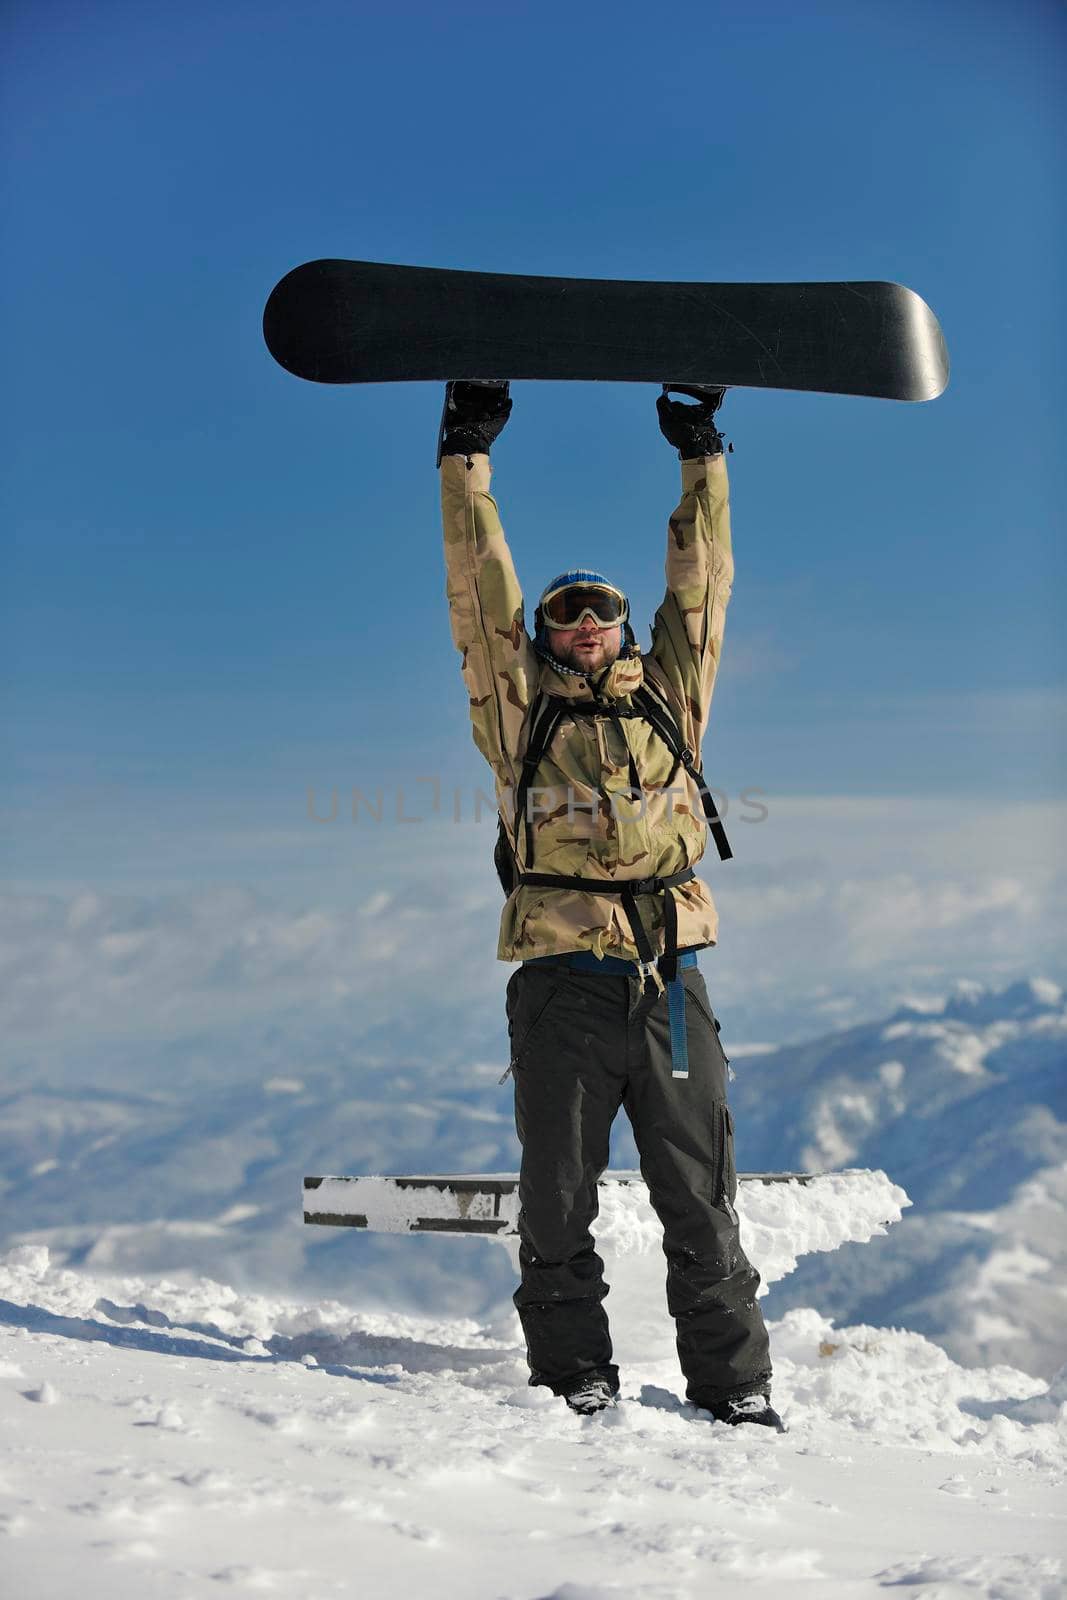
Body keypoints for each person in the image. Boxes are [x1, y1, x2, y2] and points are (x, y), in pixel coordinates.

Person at [439, 380, 783, 1431]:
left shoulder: (668, 702)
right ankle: (574, 1375)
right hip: (561, 988)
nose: (583, 622)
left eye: (600, 608)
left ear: (623, 626)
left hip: (671, 984)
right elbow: (474, 588)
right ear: (543, 633)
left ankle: (734, 1388)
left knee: (699, 1197)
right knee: (555, 1199)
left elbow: (704, 590)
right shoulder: (519, 714)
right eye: (562, 610)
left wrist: (701, 457)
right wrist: (465, 457)